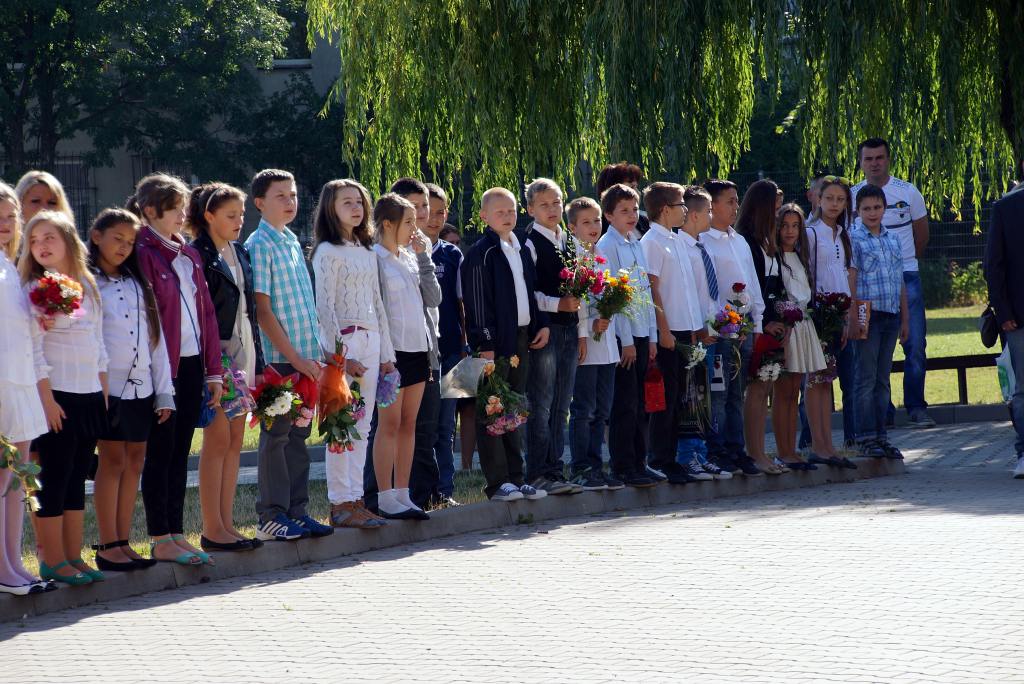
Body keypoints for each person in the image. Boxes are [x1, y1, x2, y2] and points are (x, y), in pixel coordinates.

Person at [130, 174, 227, 564]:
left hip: (191, 364)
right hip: (161, 368)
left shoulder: (187, 254)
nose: (182, 216)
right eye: (175, 209)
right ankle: (160, 536)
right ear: (150, 211)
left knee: (180, 451)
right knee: (162, 452)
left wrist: (213, 371)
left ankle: (175, 532)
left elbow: (205, 313)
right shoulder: (144, 251)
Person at [244, 169, 333, 541]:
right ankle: (272, 514)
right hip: (280, 359)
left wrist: (316, 354)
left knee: (298, 436)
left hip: (306, 358)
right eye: (281, 195)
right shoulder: (258, 243)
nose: (290, 201)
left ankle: (297, 510)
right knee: (276, 437)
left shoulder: (293, 241)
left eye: (293, 194)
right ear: (260, 202)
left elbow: (305, 305)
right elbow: (263, 310)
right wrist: (294, 358)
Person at [20, 211, 107, 585]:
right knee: (54, 479)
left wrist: (102, 392)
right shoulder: (32, 290)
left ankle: (74, 556)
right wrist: (47, 400)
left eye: (49, 237)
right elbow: (34, 351)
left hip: (89, 395)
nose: (41, 245)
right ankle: (52, 560)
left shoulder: (87, 284)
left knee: (76, 480)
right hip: (56, 398)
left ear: (69, 241)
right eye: (35, 239)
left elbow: (98, 343)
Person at [89, 208, 173, 571]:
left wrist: (164, 390)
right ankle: (108, 544)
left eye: (130, 241)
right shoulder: (88, 283)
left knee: (135, 459)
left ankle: (123, 542)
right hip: (109, 389)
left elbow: (155, 340)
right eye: (116, 238)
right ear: (96, 236)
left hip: (143, 389)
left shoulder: (137, 283)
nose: (123, 247)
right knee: (112, 460)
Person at [189, 183, 268, 550]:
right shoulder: (198, 255)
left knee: (236, 440)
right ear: (208, 216)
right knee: (217, 440)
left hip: (244, 352)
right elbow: (202, 314)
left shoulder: (239, 252)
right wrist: (212, 366)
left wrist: (259, 363)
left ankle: (227, 524)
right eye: (230, 216)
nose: (239, 222)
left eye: (240, 215)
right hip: (215, 356)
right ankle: (211, 528)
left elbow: (249, 311)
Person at [310, 179, 390, 528]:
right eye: (347, 202)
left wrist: (386, 355)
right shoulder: (328, 251)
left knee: (364, 424)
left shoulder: (367, 250)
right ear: (331, 207)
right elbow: (324, 308)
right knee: (343, 426)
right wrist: (340, 356)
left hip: (372, 341)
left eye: (359, 201)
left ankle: (356, 499)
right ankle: (339, 504)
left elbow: (377, 303)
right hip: (346, 343)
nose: (356, 208)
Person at [461, 187, 550, 502]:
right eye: (499, 212)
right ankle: (498, 482)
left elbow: (530, 290)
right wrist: (484, 342)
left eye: (511, 211)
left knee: (515, 407)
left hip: (522, 338)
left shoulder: (522, 247)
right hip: (493, 344)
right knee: (492, 409)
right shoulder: (480, 253)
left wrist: (541, 325)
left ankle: (517, 476)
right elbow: (476, 301)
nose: (506, 216)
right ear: (484, 216)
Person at [851, 138, 933, 428]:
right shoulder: (851, 195)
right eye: (869, 158)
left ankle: (916, 407)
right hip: (868, 286)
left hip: (905, 275)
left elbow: (921, 235)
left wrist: (904, 264)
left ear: (888, 159)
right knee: (872, 354)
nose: (875, 163)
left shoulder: (908, 192)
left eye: (880, 157)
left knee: (914, 344)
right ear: (861, 162)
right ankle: (880, 415)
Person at [371, 192, 441, 520]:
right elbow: (377, 310)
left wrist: (424, 257)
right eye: (409, 222)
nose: (417, 228)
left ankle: (403, 493)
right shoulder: (374, 259)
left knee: (409, 424)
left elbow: (433, 298)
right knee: (389, 424)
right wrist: (385, 356)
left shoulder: (411, 255)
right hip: (392, 353)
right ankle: (384, 496)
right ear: (388, 223)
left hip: (418, 350)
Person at [0, 184, 51, 595]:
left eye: (9, 216)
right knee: (2, 477)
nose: (4, 224)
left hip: (19, 381)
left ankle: (14, 561)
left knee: (19, 478)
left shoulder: (11, 265)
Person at [641, 182, 709, 484]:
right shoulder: (652, 241)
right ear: (665, 209)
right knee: (665, 399)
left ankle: (673, 459)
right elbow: (653, 288)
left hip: (685, 330)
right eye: (681, 204)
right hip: (668, 332)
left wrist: (695, 328)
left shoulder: (676, 239)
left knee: (681, 396)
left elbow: (686, 289)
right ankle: (660, 458)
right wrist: (663, 329)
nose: (685, 210)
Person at [700, 179, 765, 477]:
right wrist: (717, 324)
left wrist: (757, 322)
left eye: (737, 200)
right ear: (710, 205)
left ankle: (737, 450)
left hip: (745, 327)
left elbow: (751, 281)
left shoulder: (738, 240)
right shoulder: (703, 242)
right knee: (718, 392)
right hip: (720, 329)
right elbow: (707, 290)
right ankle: (718, 449)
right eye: (729, 200)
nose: (736, 206)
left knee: (737, 392)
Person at [596, 184, 659, 487]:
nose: (632, 216)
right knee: (626, 404)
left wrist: (652, 338)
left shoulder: (635, 242)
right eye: (624, 211)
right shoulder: (608, 246)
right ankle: (623, 464)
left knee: (642, 403)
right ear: (608, 215)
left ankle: (640, 461)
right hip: (625, 337)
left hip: (643, 333)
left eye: (634, 210)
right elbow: (616, 299)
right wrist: (630, 342)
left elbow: (644, 293)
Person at [521, 178, 581, 495]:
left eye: (556, 202)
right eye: (544, 204)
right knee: (541, 403)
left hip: (570, 328)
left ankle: (556, 469)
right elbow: (528, 292)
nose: (552, 209)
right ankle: (537, 471)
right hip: (546, 330)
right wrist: (557, 304)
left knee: (562, 404)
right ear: (530, 209)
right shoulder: (529, 243)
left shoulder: (568, 240)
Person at [565, 197, 622, 490]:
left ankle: (597, 466)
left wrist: (609, 313)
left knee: (602, 409)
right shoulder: (573, 255)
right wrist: (585, 332)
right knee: (584, 409)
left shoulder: (601, 253)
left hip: (607, 343)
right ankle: (581, 466)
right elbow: (578, 300)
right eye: (586, 222)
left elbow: (608, 295)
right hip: (587, 342)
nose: (593, 226)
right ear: (572, 226)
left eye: (597, 220)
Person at [849, 184, 909, 459]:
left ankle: (882, 435)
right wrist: (851, 315)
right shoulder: (854, 239)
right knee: (865, 378)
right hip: (867, 317)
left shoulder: (893, 240)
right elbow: (851, 279)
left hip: (891, 316)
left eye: (877, 207)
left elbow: (900, 282)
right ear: (857, 211)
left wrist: (905, 319)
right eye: (866, 208)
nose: (872, 213)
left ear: (885, 208)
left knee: (883, 380)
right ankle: (865, 437)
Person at [675, 186, 731, 480]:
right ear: (694, 214)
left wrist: (723, 322)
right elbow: (687, 295)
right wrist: (700, 329)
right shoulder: (680, 247)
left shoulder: (701, 245)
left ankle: (701, 453)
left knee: (706, 394)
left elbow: (709, 294)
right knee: (691, 396)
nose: (713, 215)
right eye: (709, 210)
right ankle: (687, 455)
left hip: (710, 332)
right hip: (694, 334)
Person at [735, 179, 788, 475]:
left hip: (777, 328)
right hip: (761, 328)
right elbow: (752, 287)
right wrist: (766, 322)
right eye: (776, 206)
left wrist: (785, 315)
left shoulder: (770, 242)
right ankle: (754, 452)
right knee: (756, 389)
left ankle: (762, 450)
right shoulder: (747, 241)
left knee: (767, 385)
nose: (779, 213)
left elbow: (775, 286)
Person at [805, 177, 858, 459]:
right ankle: (814, 443)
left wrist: (848, 315)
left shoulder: (843, 233)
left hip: (839, 313)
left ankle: (827, 444)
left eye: (840, 199)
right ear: (818, 199)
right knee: (816, 380)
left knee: (828, 379)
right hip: (819, 313)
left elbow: (846, 274)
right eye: (829, 199)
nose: (834, 204)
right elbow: (808, 273)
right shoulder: (811, 233)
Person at [772, 204, 827, 469]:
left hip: (804, 324)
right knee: (783, 390)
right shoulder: (775, 258)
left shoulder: (800, 257)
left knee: (796, 390)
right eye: (785, 226)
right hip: (787, 325)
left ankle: (792, 451)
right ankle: (782, 450)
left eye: (795, 226)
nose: (790, 231)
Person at [424, 183, 464, 506]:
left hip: (454, 351)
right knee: (427, 423)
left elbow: (463, 303)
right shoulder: (409, 252)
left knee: (447, 424)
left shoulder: (453, 255)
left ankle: (445, 490)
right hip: (423, 353)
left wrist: (468, 344)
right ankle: (423, 488)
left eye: (441, 212)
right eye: (428, 211)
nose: (434, 219)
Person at [983, 170, 1024, 478]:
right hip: (1018, 316)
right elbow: (993, 265)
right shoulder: (1006, 208)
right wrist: (1003, 310)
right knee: (1021, 388)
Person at [596, 162, 649, 236]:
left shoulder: (644, 221)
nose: (638, 193)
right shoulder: (597, 228)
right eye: (631, 187)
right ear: (612, 190)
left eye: (636, 187)